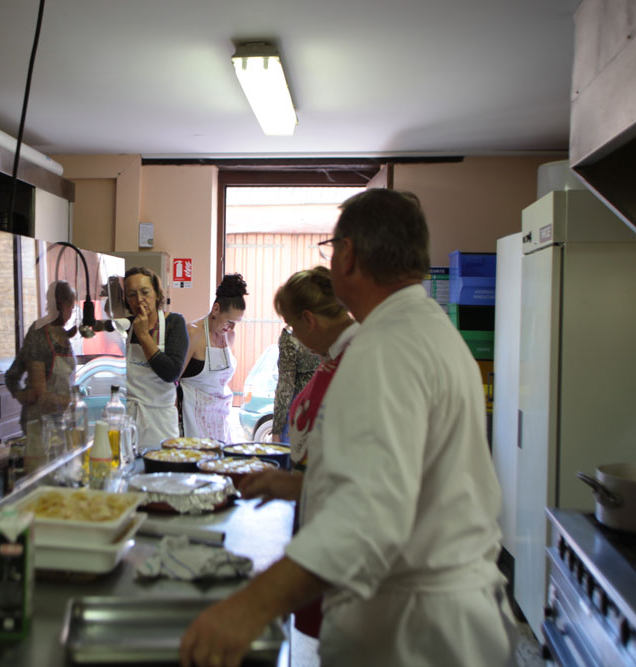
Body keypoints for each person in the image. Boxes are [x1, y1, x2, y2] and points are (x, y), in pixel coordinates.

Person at [180, 189, 515, 667]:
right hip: (439, 616)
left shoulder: (385, 348)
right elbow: (404, 479)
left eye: (330, 248)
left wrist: (250, 605)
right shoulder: (426, 328)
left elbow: (368, 517)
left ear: (349, 255)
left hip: (412, 631)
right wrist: (302, 485)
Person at [237, 266, 357, 638]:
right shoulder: (333, 357)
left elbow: (359, 483)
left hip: (345, 539)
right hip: (319, 514)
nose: (292, 336)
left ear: (309, 320)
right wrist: (288, 483)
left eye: (291, 327)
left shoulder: (360, 360)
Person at [123, 266, 188, 451]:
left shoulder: (174, 323)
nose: (139, 300)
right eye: (131, 295)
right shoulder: (126, 327)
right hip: (129, 420)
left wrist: (143, 335)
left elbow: (171, 373)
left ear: (157, 294)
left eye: (145, 292)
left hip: (161, 422)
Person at [179, 274, 247, 442]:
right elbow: (173, 380)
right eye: (229, 321)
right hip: (193, 420)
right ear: (216, 309)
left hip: (221, 420)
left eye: (236, 323)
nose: (231, 327)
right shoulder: (193, 333)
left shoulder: (229, 336)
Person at [5, 280, 78, 431]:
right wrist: (22, 394)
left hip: (61, 421)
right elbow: (43, 399)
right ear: (62, 305)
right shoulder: (39, 332)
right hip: (40, 423)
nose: (72, 313)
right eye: (71, 307)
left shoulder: (61, 333)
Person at [271, 327, 320, 443]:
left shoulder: (291, 336)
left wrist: (276, 430)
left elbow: (285, 387)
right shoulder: (335, 329)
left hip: (301, 408)